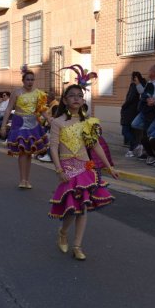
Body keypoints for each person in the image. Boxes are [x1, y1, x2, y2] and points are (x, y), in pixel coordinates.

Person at [48, 83, 118, 260]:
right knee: (72, 208)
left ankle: (77, 245)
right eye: (72, 95)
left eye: (79, 95)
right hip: (67, 167)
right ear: (65, 100)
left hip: (86, 167)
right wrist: (58, 169)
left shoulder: (87, 121)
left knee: (84, 206)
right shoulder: (57, 122)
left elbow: (95, 145)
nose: (76, 98)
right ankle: (63, 232)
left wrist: (109, 166)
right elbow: (54, 147)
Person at [0, 68, 51, 188]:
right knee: (22, 152)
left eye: (32, 79)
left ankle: (27, 180)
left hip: (32, 124)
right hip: (19, 123)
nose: (30, 82)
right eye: (28, 79)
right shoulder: (17, 92)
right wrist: (3, 125)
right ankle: (22, 179)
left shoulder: (38, 93)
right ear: (23, 80)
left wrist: (50, 120)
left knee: (29, 153)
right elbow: (8, 109)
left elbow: (42, 110)